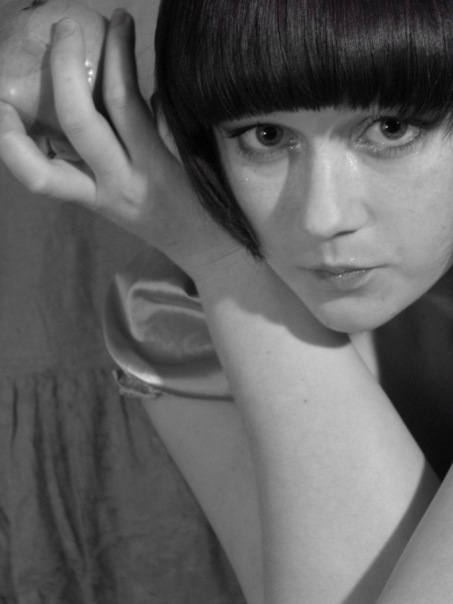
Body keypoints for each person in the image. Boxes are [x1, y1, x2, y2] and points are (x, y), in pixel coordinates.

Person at [1, 1, 453, 602]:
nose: (322, 216)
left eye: (391, 129)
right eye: (267, 136)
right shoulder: (177, 311)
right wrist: (222, 265)